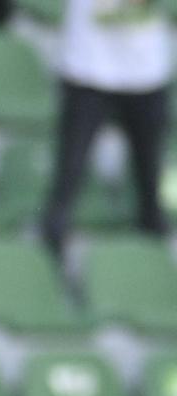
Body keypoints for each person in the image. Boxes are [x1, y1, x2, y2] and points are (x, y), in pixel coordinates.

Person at [41, 0, 170, 255]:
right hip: (88, 67)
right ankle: (51, 258)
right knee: (70, 174)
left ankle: (154, 264)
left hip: (146, 70)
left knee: (150, 180)